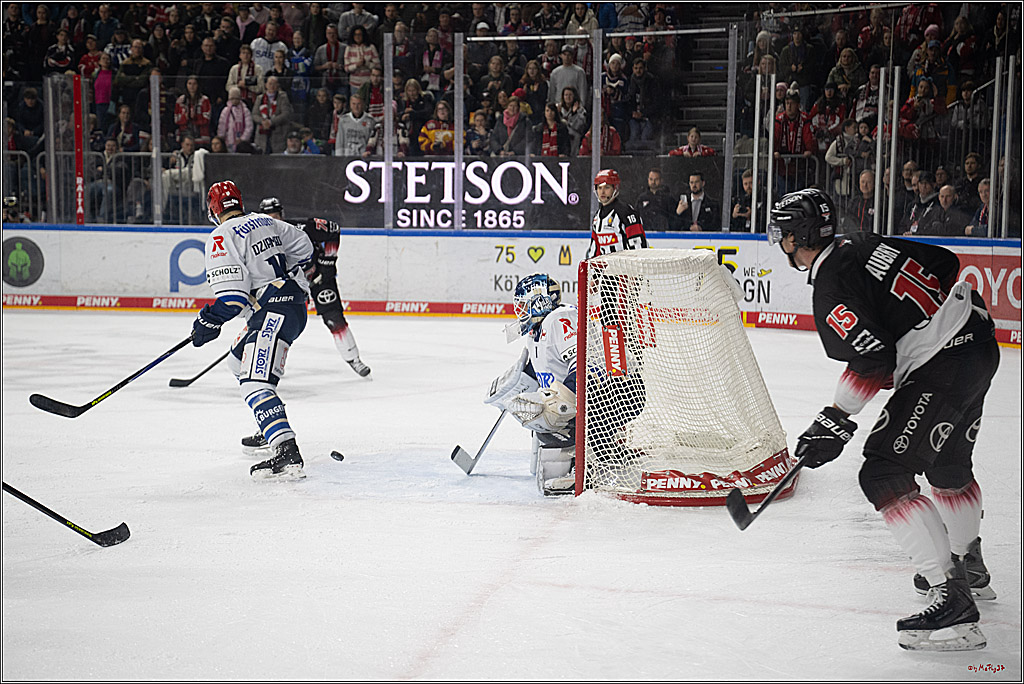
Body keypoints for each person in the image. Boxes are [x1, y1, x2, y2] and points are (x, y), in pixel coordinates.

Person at [767, 187, 997, 652]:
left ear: (799, 236)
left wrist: (835, 419)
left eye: (785, 233)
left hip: (944, 362)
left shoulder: (831, 283)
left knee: (883, 470)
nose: (781, 241)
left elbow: (875, 360)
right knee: (947, 466)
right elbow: (946, 264)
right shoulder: (862, 240)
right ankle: (967, 563)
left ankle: (950, 601)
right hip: (976, 341)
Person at [195, 181, 315, 480]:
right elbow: (305, 247)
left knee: (254, 383)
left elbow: (233, 300)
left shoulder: (221, 236)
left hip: (273, 312)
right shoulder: (267, 221)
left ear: (213, 209)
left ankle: (287, 452)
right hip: (292, 304)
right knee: (236, 362)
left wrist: (208, 321)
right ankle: (269, 425)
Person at [258, 196, 372, 382]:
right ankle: (270, 365)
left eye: (276, 216)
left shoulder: (301, 228)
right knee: (276, 325)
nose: (274, 221)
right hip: (288, 285)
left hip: (317, 278)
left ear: (282, 215)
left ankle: (354, 359)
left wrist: (327, 264)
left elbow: (333, 229)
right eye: (269, 217)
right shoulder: (259, 241)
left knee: (334, 319)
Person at [483, 273, 578, 495]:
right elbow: (545, 370)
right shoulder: (538, 329)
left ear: (540, 302)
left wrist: (565, 403)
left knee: (546, 410)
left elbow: (584, 364)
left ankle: (581, 468)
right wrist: (512, 389)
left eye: (525, 306)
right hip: (580, 399)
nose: (520, 312)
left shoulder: (560, 318)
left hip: (606, 395)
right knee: (532, 408)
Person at [587, 168, 647, 259]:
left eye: (607, 187)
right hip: (607, 271)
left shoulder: (626, 212)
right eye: (599, 188)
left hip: (625, 270)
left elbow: (638, 246)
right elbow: (595, 250)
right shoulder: (597, 218)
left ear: (615, 188)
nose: (602, 192)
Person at [636, 167, 675, 232]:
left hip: (663, 234)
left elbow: (673, 218)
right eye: (651, 179)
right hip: (646, 233)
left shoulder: (668, 198)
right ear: (648, 180)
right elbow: (637, 216)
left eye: (656, 179)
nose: (653, 182)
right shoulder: (642, 198)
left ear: (661, 180)